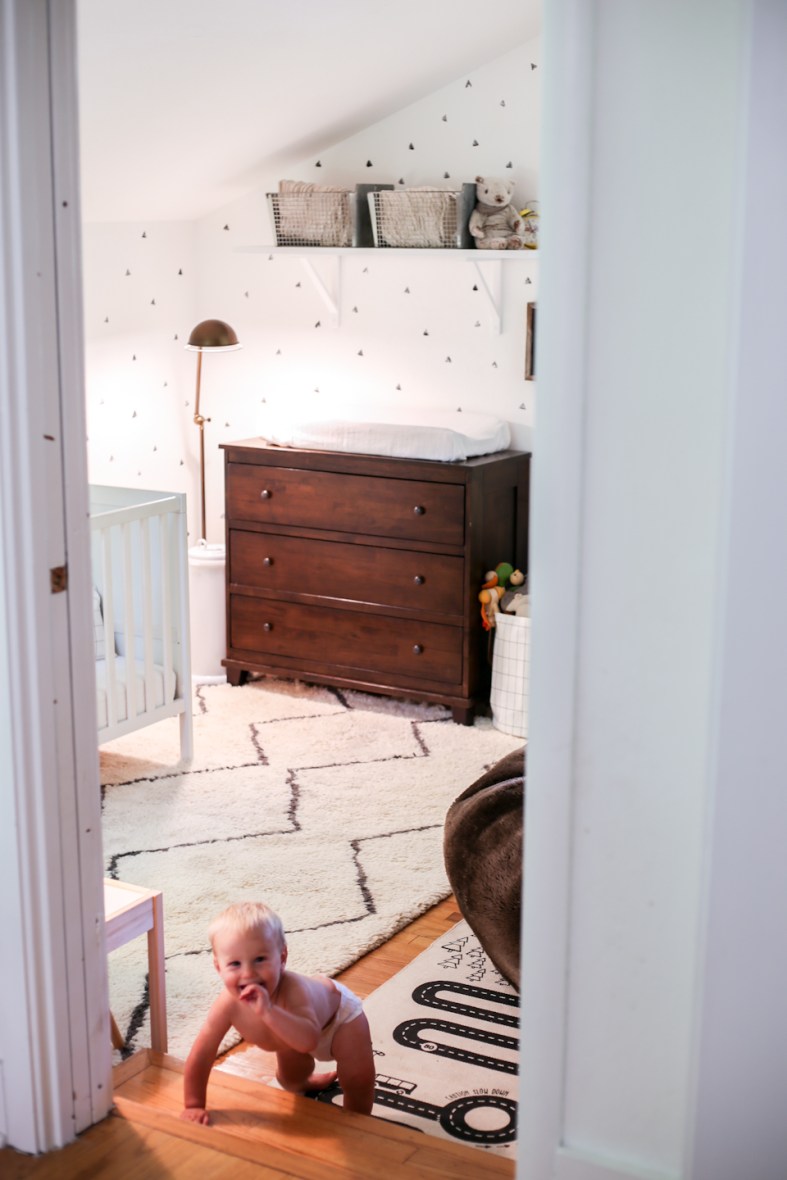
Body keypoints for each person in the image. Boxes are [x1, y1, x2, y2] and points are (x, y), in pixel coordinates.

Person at [180, 901, 376, 1124]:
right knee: (290, 1079)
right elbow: (201, 1054)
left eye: (260, 959)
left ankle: (357, 1125)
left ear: (282, 958)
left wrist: (269, 1011)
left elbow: (308, 1040)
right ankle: (306, 1082)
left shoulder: (295, 990)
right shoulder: (227, 1005)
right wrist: (194, 1104)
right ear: (218, 967)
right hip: (290, 1035)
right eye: (235, 964)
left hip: (339, 1020)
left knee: (357, 1080)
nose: (248, 974)